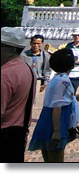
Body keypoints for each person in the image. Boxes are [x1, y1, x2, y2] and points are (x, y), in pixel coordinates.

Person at [27, 48, 79, 162]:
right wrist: (57, 131)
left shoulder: (57, 79)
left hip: (49, 120)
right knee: (55, 156)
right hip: (55, 123)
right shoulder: (63, 81)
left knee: (50, 156)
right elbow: (57, 107)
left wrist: (74, 98)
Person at [1, 27, 36, 163]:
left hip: (4, 135)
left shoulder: (6, 74)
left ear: (11, 50)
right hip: (18, 134)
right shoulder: (27, 68)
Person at [22, 34, 51, 106]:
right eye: (34, 43)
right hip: (25, 80)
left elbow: (47, 69)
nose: (36, 45)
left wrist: (45, 82)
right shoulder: (23, 55)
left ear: (42, 44)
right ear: (31, 43)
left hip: (37, 80)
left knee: (33, 100)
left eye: (38, 43)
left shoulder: (45, 55)